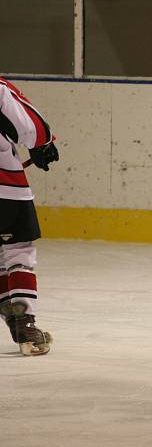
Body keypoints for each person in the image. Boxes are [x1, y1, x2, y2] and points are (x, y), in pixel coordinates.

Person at [0, 77, 59, 356]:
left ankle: (13, 315)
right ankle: (23, 323)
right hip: (5, 189)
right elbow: (30, 127)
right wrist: (42, 144)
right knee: (17, 252)